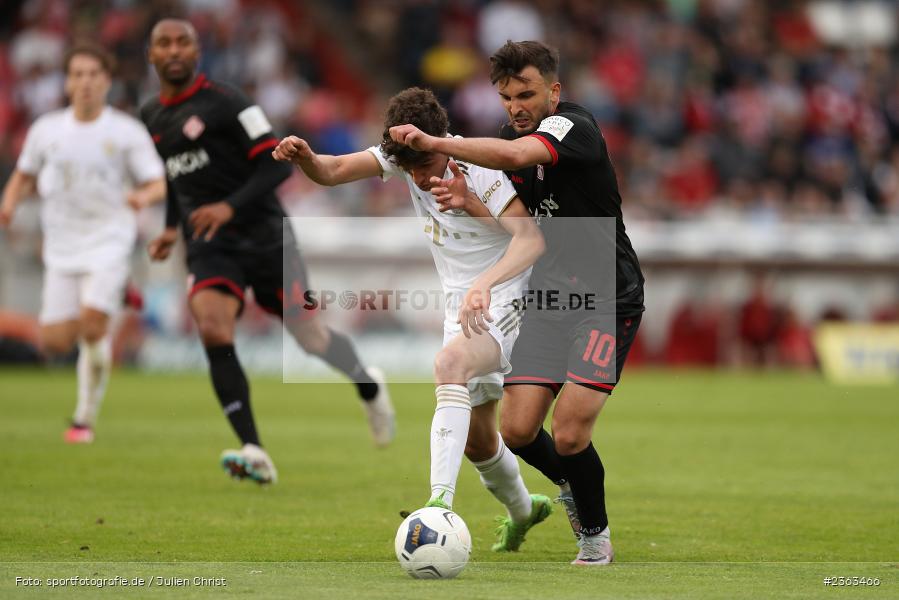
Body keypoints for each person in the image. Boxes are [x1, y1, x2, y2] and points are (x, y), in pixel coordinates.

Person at [389, 40, 645, 565]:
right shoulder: (510, 137)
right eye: (506, 97)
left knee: (571, 433)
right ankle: (573, 486)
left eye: (526, 94)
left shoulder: (573, 128)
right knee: (517, 429)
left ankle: (594, 537)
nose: (516, 107)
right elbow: (522, 229)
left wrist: (439, 141)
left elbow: (512, 156)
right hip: (550, 298)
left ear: (554, 90)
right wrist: (469, 202)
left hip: (605, 297)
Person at [273, 87, 552, 551]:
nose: (419, 178)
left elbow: (529, 241)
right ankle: (525, 512)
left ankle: (438, 505)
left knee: (448, 366)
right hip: (461, 303)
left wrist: (483, 279)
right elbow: (335, 169)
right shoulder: (404, 155)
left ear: (439, 139)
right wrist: (305, 157)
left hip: (503, 296)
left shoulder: (482, 169)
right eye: (409, 169)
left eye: (425, 165)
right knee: (479, 444)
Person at [141, 19, 393, 485]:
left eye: (183, 42)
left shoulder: (229, 101)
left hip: (265, 237)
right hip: (211, 245)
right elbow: (178, 179)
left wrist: (226, 206)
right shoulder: (151, 115)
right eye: (164, 43)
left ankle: (366, 381)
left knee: (310, 339)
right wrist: (171, 228)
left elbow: (277, 171)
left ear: (197, 52)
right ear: (151, 55)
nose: (174, 50)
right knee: (212, 325)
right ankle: (253, 448)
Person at [0, 43, 166, 443]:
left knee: (93, 327)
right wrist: (7, 204)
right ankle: (116, 294)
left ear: (106, 81)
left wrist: (141, 198)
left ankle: (83, 419)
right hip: (62, 245)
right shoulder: (46, 130)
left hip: (110, 238)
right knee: (56, 342)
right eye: (78, 74)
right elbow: (24, 175)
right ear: (68, 81)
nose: (86, 82)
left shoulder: (125, 131)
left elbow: (158, 181)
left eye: (94, 74)